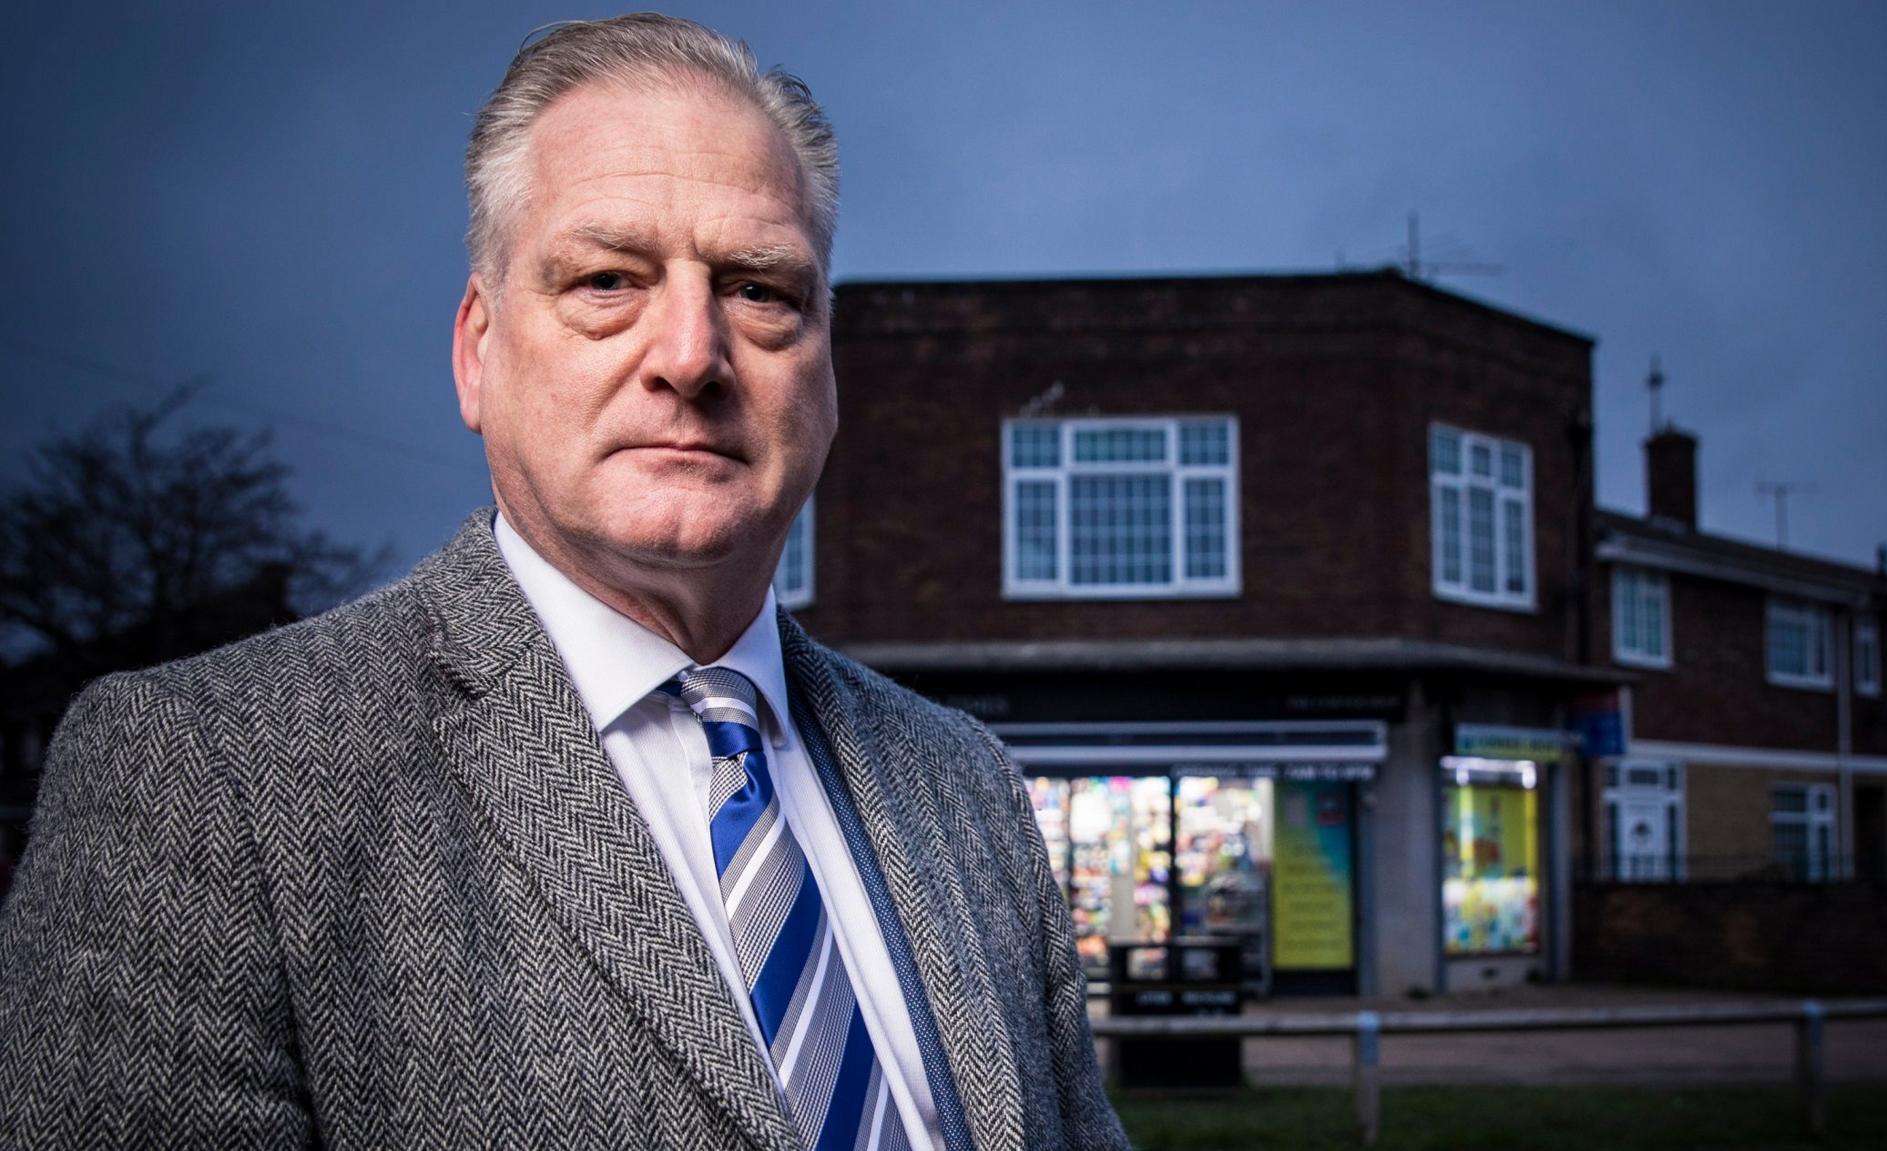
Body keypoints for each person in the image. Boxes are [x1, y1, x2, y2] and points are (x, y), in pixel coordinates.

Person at [0, 15, 1128, 1150]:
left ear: (826, 368)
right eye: (605, 278)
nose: (690, 354)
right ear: (477, 350)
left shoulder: (962, 781)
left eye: (759, 289)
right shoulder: (208, 779)